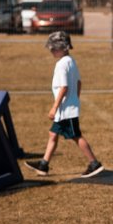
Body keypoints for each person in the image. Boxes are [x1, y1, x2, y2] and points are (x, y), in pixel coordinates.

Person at [25, 31, 104, 179]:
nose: (51, 51)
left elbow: (64, 87)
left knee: (76, 136)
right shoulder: (71, 61)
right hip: (66, 108)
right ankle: (44, 165)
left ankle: (94, 163)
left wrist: (55, 107)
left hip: (66, 110)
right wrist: (75, 98)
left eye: (54, 48)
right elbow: (79, 83)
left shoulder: (61, 65)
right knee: (53, 134)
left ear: (63, 47)